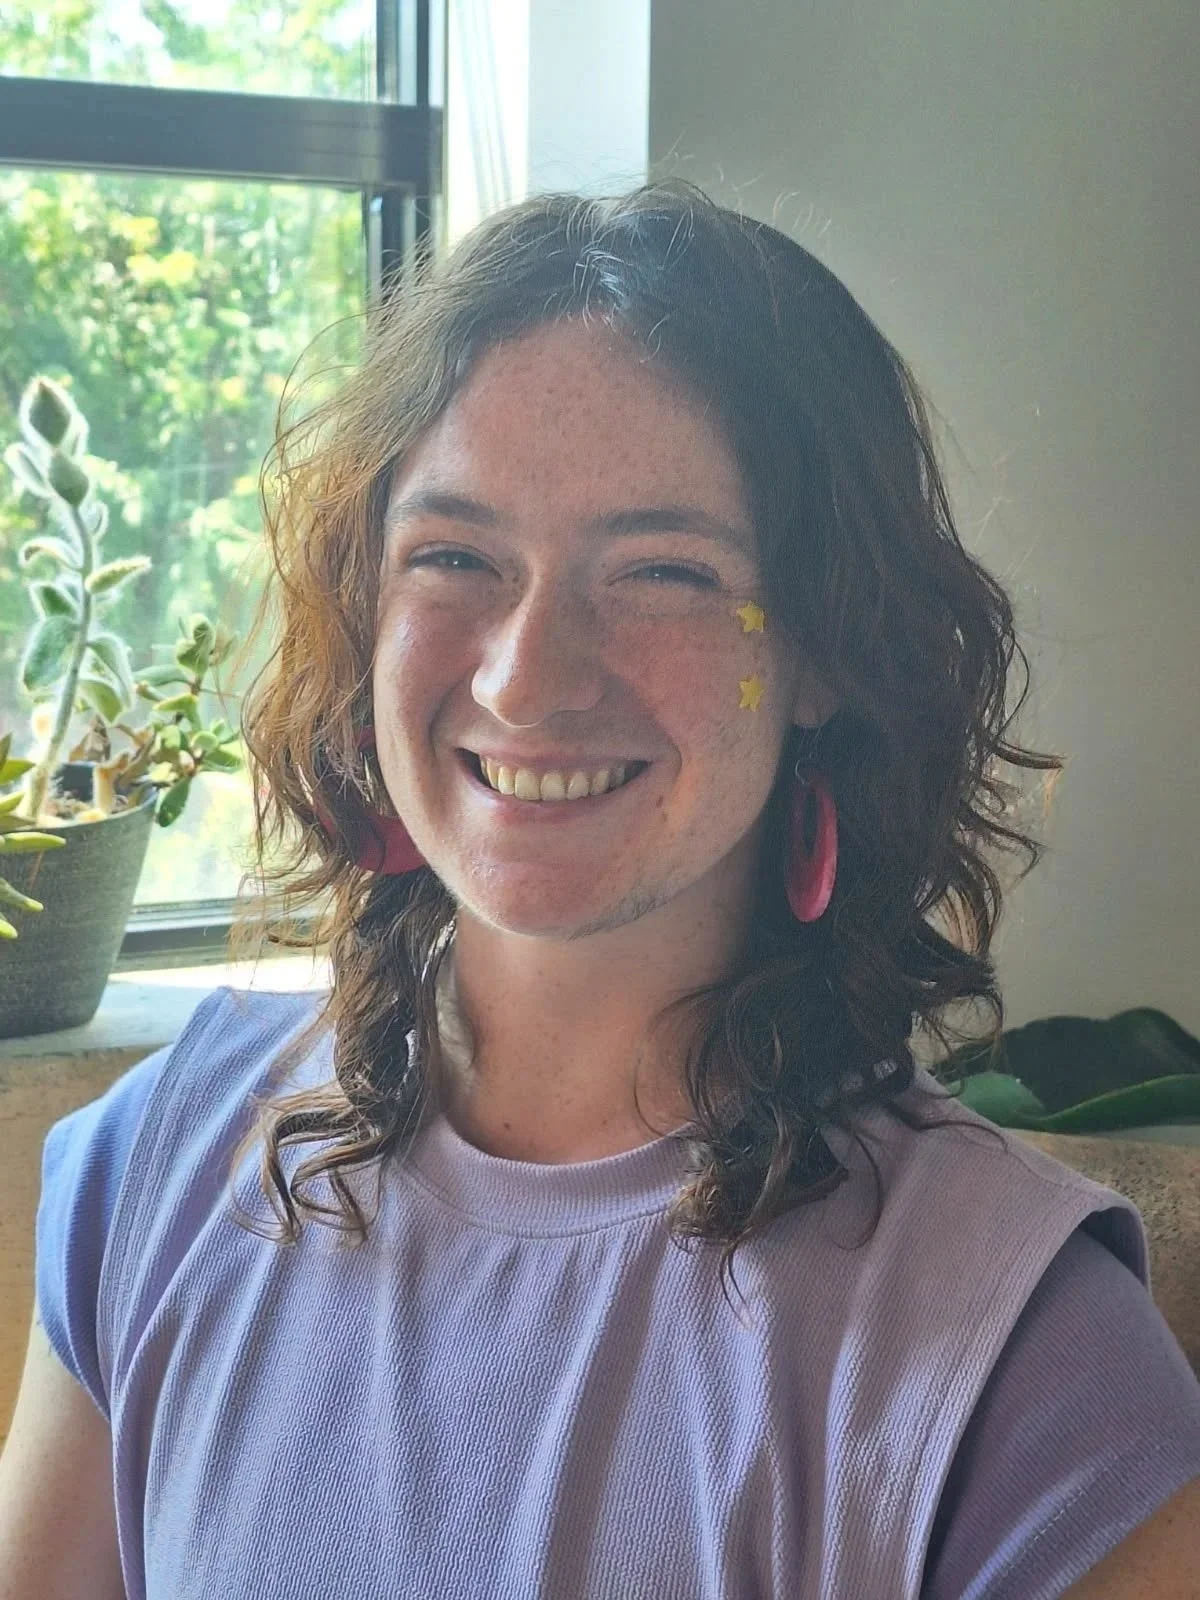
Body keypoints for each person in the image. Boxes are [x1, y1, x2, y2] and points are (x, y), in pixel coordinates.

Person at [1, 181, 1198, 1599]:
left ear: (825, 651)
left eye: (664, 573)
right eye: (454, 557)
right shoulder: (153, 1171)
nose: (525, 675)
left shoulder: (1029, 1362)